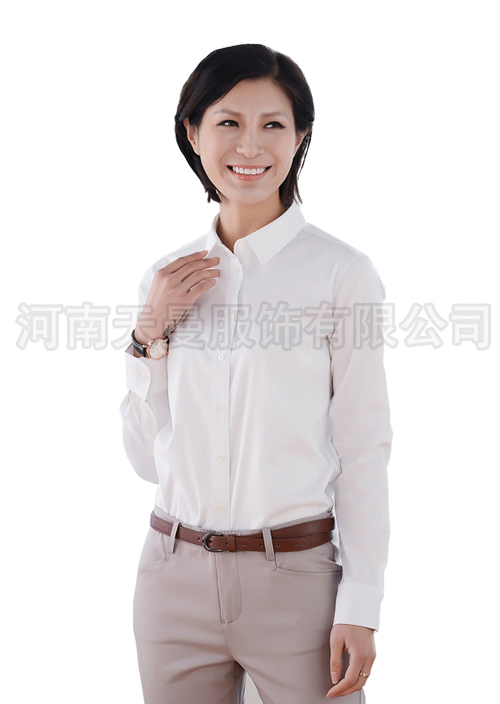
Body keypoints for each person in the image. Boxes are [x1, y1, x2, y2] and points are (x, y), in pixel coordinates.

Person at [119, 43, 392, 704]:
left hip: (296, 580)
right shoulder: (166, 278)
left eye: (273, 124)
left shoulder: (341, 273)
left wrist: (361, 601)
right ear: (193, 133)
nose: (250, 145)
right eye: (228, 122)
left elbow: (363, 447)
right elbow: (147, 462)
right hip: (171, 577)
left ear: (301, 137)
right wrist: (147, 339)